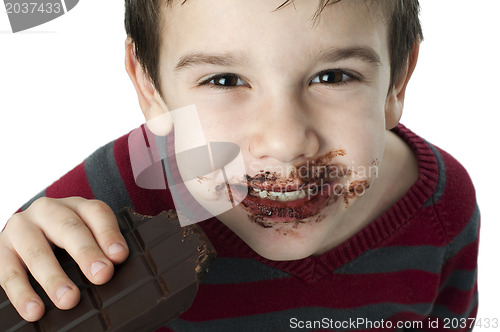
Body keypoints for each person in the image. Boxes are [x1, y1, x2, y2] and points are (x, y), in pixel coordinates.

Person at [0, 0, 479, 330]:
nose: (285, 141)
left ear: (397, 83)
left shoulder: (443, 208)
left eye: (333, 76)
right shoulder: (109, 203)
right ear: (150, 88)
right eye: (225, 80)